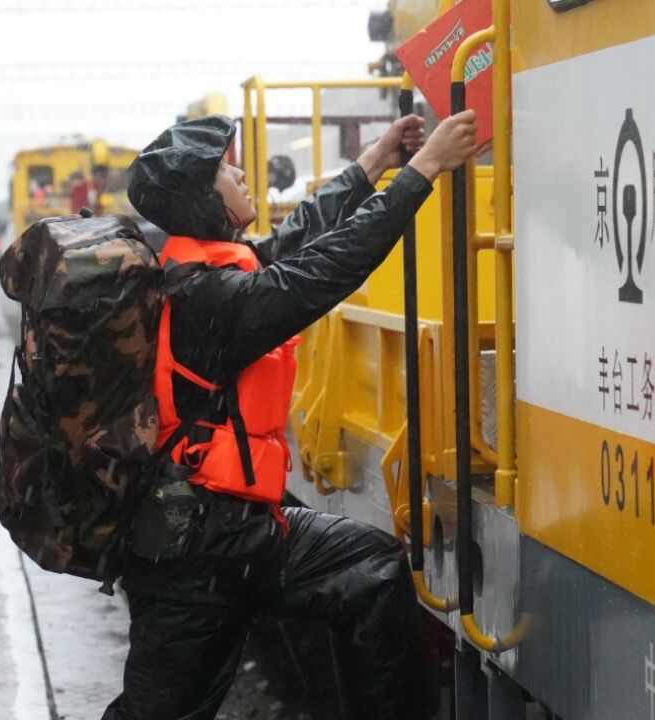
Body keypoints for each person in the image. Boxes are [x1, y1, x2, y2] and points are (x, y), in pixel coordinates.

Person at [102, 109, 479, 720]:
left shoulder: (209, 270)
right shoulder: (207, 298)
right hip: (195, 552)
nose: (241, 170)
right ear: (204, 202)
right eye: (225, 168)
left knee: (373, 572)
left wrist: (376, 161)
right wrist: (424, 168)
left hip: (231, 532)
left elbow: (303, 235)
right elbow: (326, 268)